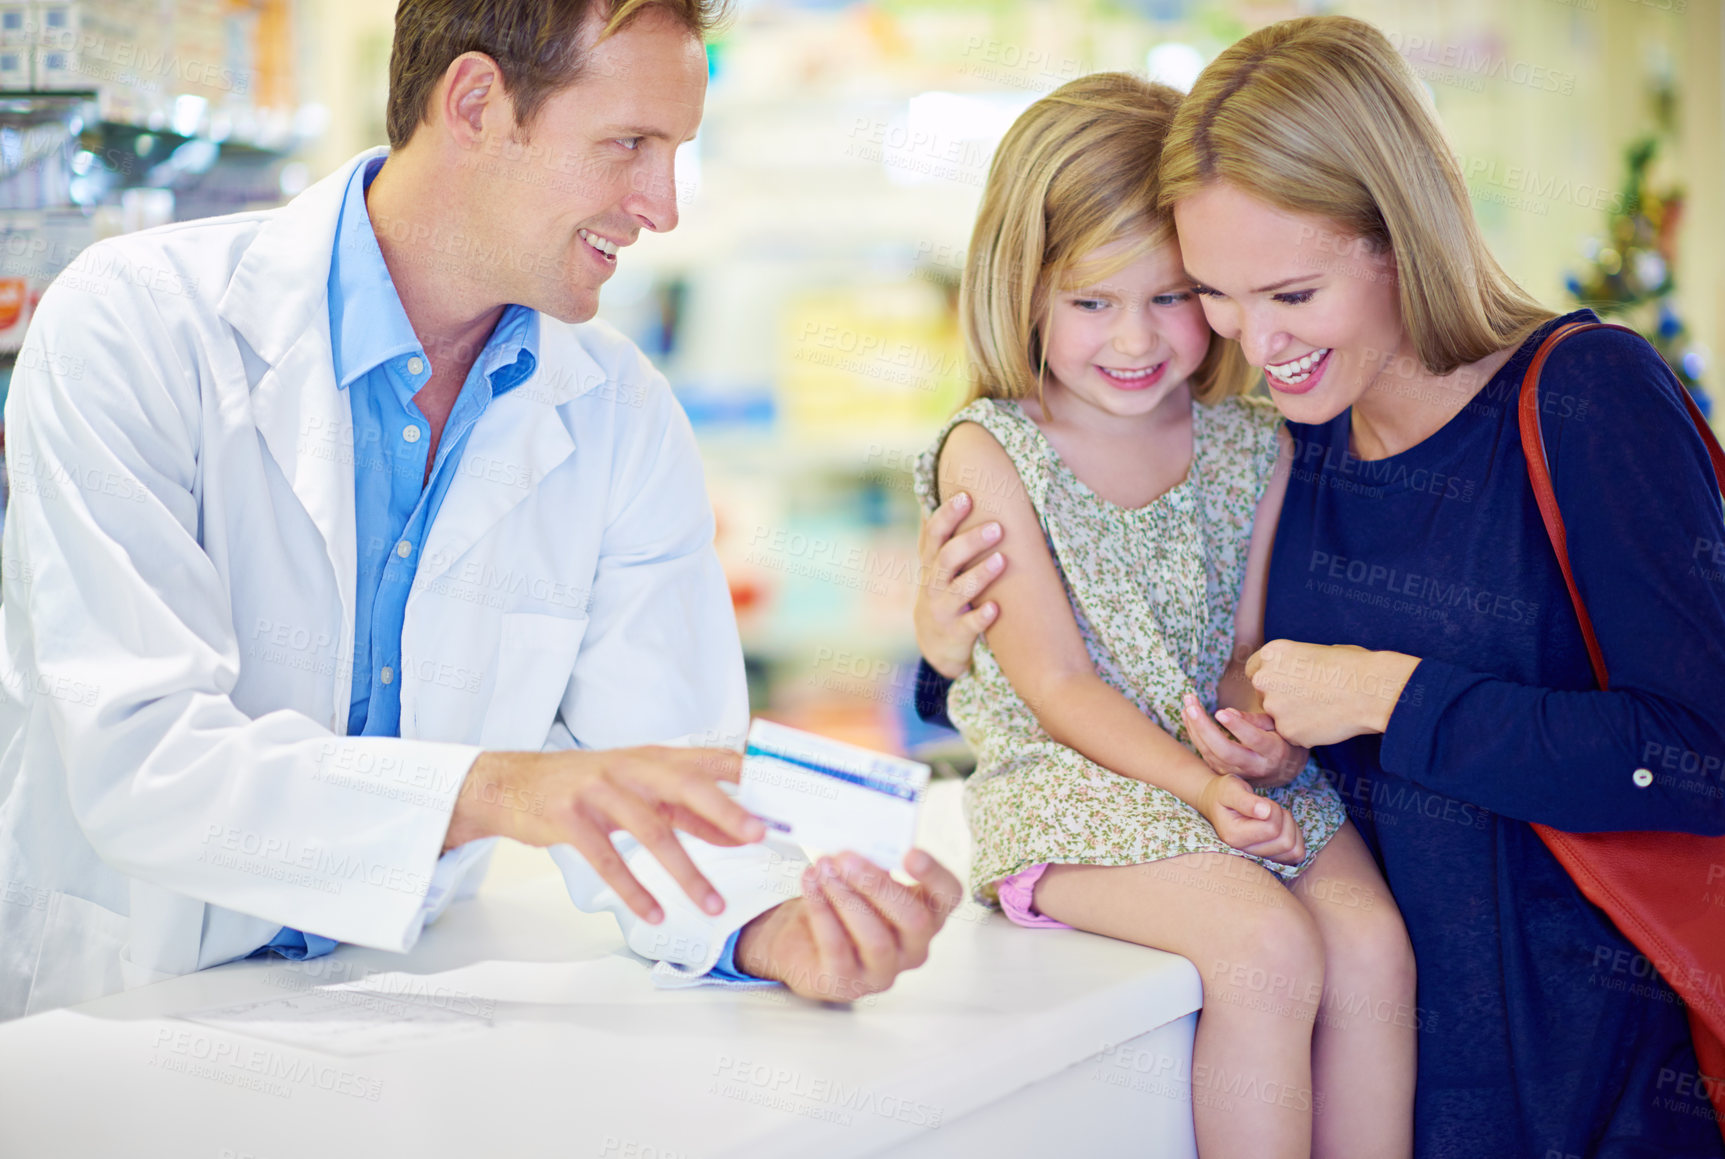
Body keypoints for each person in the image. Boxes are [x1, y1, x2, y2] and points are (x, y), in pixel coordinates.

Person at [0, 0, 959, 1022]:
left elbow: (653, 786)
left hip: (394, 1008)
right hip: (120, 1008)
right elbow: (144, 760)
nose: (663, 204)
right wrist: (498, 790)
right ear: (474, 104)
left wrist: (774, 929)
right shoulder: (134, 325)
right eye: (627, 144)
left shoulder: (620, 410)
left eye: (674, 149)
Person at [916, 15, 1725, 1159]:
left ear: (1399, 236)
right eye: (1221, 295)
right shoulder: (1296, 432)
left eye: (1290, 292)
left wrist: (1392, 694)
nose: (1256, 337)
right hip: (1365, 1086)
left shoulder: (1587, 397)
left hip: (1583, 1097)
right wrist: (941, 645)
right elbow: (1159, 642)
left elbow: (1701, 748)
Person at [913, 72, 1414, 1159]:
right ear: (1026, 288)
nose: (1136, 339)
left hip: (1221, 779)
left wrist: (1255, 734)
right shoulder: (994, 449)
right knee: (1266, 950)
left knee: (1374, 946)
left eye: (1173, 297)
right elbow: (1055, 682)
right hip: (1071, 788)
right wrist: (1204, 783)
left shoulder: (1252, 440)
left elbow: (1240, 651)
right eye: (1094, 302)